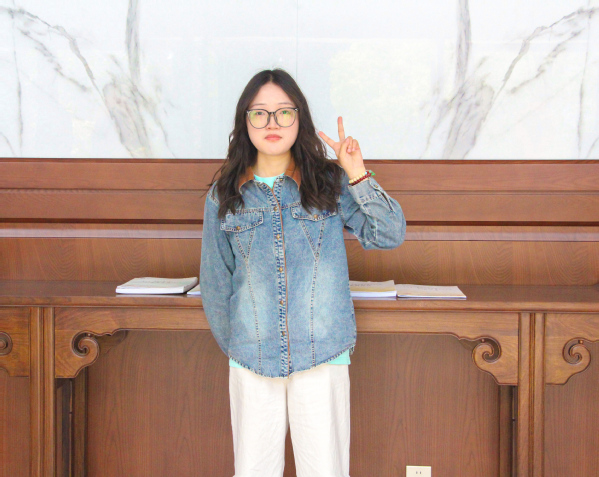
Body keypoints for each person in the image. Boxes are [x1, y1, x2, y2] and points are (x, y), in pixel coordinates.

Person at [200, 68, 406, 477]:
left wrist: (357, 173)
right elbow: (215, 281)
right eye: (259, 113)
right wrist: (241, 346)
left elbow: (388, 234)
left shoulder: (329, 183)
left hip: (322, 353)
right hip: (252, 357)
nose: (272, 123)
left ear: (300, 118)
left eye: (284, 112)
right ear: (245, 121)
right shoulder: (224, 194)